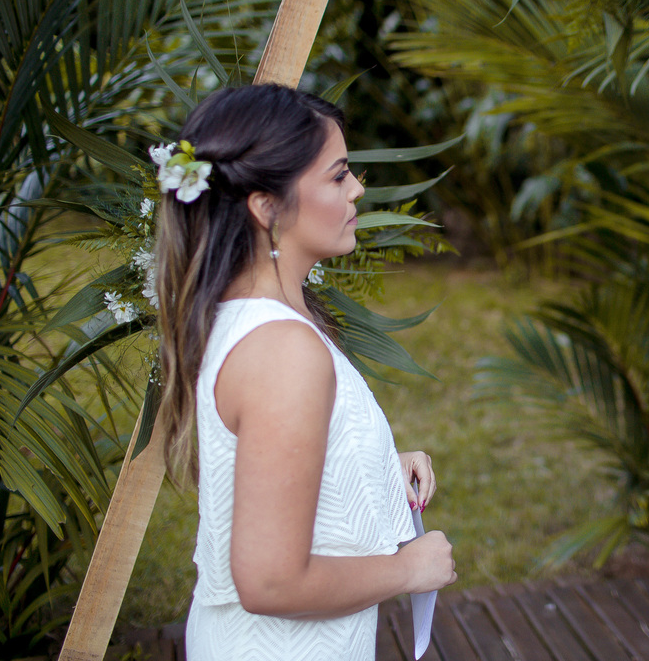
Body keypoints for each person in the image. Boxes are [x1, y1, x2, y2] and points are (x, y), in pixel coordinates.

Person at [153, 85, 457, 660]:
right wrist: (408, 569)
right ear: (267, 206)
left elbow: (268, 464)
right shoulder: (282, 348)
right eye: (339, 176)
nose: (358, 189)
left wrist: (375, 464)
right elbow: (269, 581)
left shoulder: (251, 318)